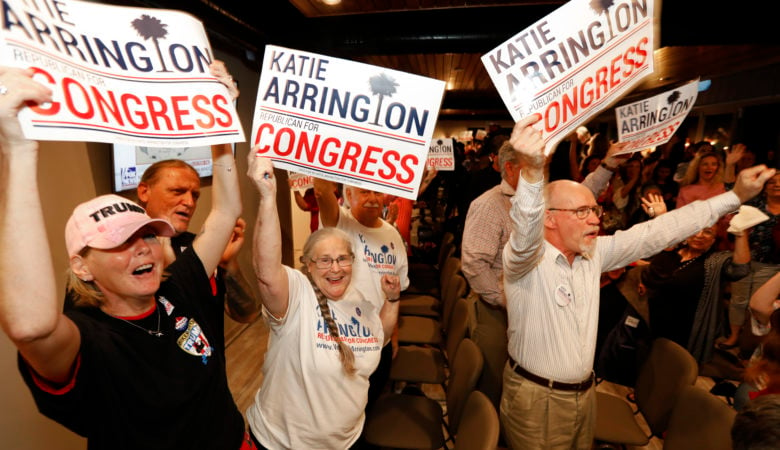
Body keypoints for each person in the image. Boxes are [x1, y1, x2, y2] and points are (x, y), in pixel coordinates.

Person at [0, 64, 250, 449]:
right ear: (82, 266)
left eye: (148, 234)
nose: (142, 247)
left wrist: (223, 121)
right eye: (119, 241)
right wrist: (18, 150)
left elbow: (226, 210)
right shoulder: (88, 336)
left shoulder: (177, 287)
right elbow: (30, 327)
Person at [499, 114, 774, 450]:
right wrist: (530, 173)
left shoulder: (594, 253)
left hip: (584, 396)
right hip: (535, 398)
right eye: (582, 213)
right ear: (550, 220)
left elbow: (658, 231)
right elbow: (525, 228)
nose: (594, 220)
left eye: (595, 211)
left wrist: (735, 197)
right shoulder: (525, 262)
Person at [244, 155, 400, 449]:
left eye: (343, 259)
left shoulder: (361, 303)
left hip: (346, 441)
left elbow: (382, 336)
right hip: (282, 444)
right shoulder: (297, 296)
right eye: (325, 260)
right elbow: (266, 272)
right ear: (309, 265)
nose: (335, 268)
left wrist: (391, 301)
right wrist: (267, 197)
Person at [461, 138, 621, 410]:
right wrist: (509, 300)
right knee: (494, 383)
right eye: (533, 167)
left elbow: (582, 193)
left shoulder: (544, 198)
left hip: (536, 308)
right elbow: (474, 264)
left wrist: (607, 166)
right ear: (509, 169)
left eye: (543, 166)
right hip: (497, 313)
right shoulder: (490, 205)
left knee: (524, 385)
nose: (542, 173)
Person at [313, 177, 410, 410]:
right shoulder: (339, 224)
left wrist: (393, 335)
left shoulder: (392, 236)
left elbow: (395, 293)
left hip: (378, 342)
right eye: (364, 192)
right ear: (348, 196)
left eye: (377, 192)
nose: (372, 198)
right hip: (342, 343)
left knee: (370, 405)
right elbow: (321, 191)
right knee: (341, 410)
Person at [136, 157, 261, 330]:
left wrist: (227, 264)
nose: (189, 202)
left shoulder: (199, 247)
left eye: (195, 195)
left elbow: (247, 314)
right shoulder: (126, 253)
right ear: (144, 192)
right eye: (177, 191)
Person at [641, 224, 751, 364]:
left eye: (707, 232)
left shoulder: (715, 261)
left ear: (714, 239)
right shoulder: (674, 252)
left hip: (683, 327)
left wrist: (741, 235)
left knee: (667, 366)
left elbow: (741, 270)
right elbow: (651, 273)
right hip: (651, 319)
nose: (699, 235)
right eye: (695, 230)